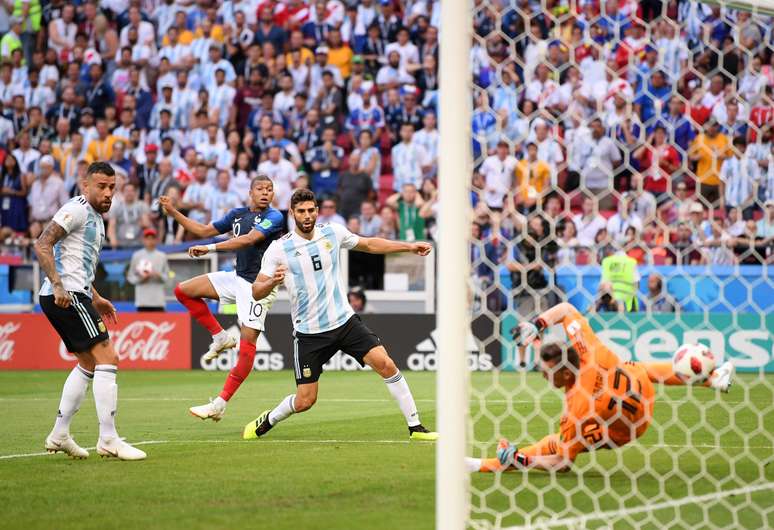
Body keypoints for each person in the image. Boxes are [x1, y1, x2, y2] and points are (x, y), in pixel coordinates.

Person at [244, 188, 438, 441]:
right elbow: (257, 291)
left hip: (344, 322)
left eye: (311, 210)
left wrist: (408, 246)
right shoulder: (278, 249)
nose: (307, 216)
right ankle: (268, 419)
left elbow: (369, 243)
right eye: (301, 211)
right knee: (305, 401)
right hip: (309, 333)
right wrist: (272, 283)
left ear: (317, 211)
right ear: (291, 213)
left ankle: (416, 428)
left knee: (386, 364)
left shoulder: (332, 232)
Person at [466, 302, 734, 472]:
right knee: (633, 366)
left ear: (563, 373)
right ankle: (712, 378)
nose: (543, 377)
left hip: (628, 429)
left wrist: (525, 461)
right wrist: (537, 326)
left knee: (560, 443)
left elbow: (562, 463)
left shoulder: (577, 409)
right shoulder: (588, 350)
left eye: (547, 373)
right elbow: (567, 310)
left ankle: (488, 464)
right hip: (641, 390)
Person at [34, 162, 145, 461]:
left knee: (88, 363)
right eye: (102, 186)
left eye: (112, 187)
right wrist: (58, 286)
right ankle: (108, 439)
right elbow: (43, 244)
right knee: (108, 357)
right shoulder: (78, 209)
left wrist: (96, 296)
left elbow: (77, 262)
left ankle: (59, 434)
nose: (108, 193)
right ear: (85, 186)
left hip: (74, 293)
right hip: (66, 296)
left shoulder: (96, 217)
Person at [158, 176, 284, 421]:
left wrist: (210, 248)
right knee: (183, 290)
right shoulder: (236, 214)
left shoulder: (275, 216)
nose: (265, 193)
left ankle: (220, 403)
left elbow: (249, 239)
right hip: (237, 278)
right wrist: (173, 212)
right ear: (250, 192)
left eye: (269, 189)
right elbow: (204, 230)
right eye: (260, 189)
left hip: (258, 287)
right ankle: (220, 336)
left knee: (247, 351)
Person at [127, 229, 169, 312]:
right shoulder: (137, 255)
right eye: (148, 238)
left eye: (152, 238)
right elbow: (130, 277)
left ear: (156, 240)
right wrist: (142, 278)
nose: (150, 241)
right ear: (143, 240)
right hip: (142, 301)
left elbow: (166, 277)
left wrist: (158, 274)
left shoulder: (162, 256)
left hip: (158, 301)